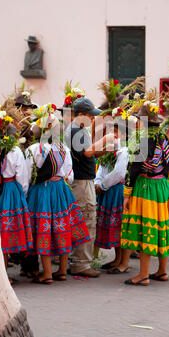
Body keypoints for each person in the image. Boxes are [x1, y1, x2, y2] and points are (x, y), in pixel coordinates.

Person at [121, 94, 169, 286]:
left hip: (145, 187)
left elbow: (134, 167)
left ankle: (143, 275)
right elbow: (168, 164)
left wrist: (127, 193)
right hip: (162, 187)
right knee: (161, 227)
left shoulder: (144, 140)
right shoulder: (164, 139)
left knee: (144, 229)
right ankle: (162, 271)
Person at [26, 109, 90, 284]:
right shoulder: (64, 149)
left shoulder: (34, 149)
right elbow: (70, 175)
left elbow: (27, 176)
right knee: (63, 228)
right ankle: (61, 270)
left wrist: (26, 194)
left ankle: (46, 273)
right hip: (61, 190)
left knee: (43, 230)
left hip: (42, 191)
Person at [64, 97, 114, 278]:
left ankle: (77, 261)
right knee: (86, 220)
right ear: (82, 115)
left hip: (83, 180)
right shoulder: (76, 129)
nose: (93, 119)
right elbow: (86, 152)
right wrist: (105, 140)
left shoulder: (77, 129)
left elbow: (88, 153)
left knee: (83, 219)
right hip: (82, 182)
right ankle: (81, 264)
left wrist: (105, 150)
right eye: (90, 116)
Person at [0, 114, 34, 285]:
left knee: (0, 231)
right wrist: (23, 195)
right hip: (12, 191)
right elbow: (22, 177)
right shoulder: (15, 151)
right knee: (8, 231)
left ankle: (2, 272)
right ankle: (4, 275)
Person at [94, 119, 129, 270]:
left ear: (123, 135)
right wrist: (97, 182)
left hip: (117, 191)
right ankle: (117, 258)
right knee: (112, 225)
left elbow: (119, 173)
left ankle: (122, 261)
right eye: (109, 132)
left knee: (119, 224)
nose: (112, 135)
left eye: (115, 132)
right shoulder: (108, 150)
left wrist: (103, 185)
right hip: (107, 190)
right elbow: (101, 168)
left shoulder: (124, 151)